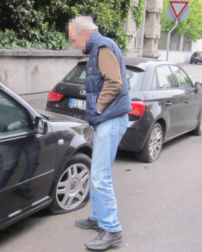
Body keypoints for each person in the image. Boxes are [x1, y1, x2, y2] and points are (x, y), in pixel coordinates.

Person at [68, 16, 132, 251]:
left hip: (110, 120)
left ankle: (112, 230)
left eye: (74, 38)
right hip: (108, 120)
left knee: (100, 176)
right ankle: (98, 217)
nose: (74, 44)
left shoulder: (103, 47)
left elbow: (114, 83)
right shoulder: (99, 47)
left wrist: (97, 108)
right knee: (98, 172)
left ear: (84, 33)